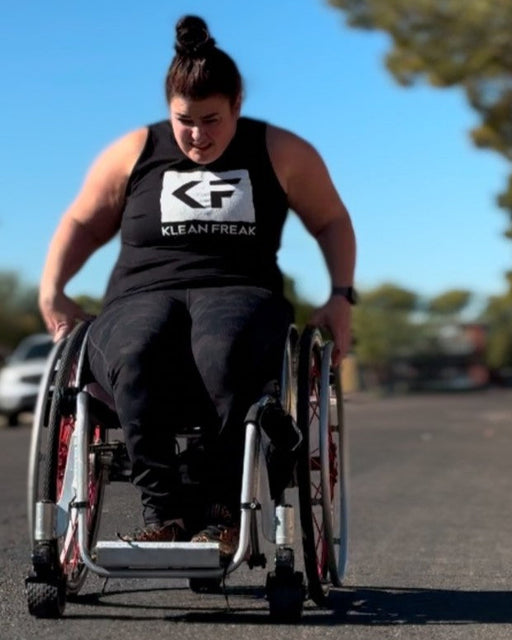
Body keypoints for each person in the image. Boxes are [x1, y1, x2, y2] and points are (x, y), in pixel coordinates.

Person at [38, 15, 356, 561]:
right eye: (185, 120)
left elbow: (331, 221)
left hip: (238, 290)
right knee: (135, 353)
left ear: (237, 103)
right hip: (140, 294)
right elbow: (83, 223)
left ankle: (220, 513)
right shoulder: (134, 151)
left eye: (212, 119)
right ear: (169, 109)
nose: (198, 135)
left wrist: (340, 295)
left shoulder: (280, 150)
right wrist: (52, 290)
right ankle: (164, 515)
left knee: (225, 352)